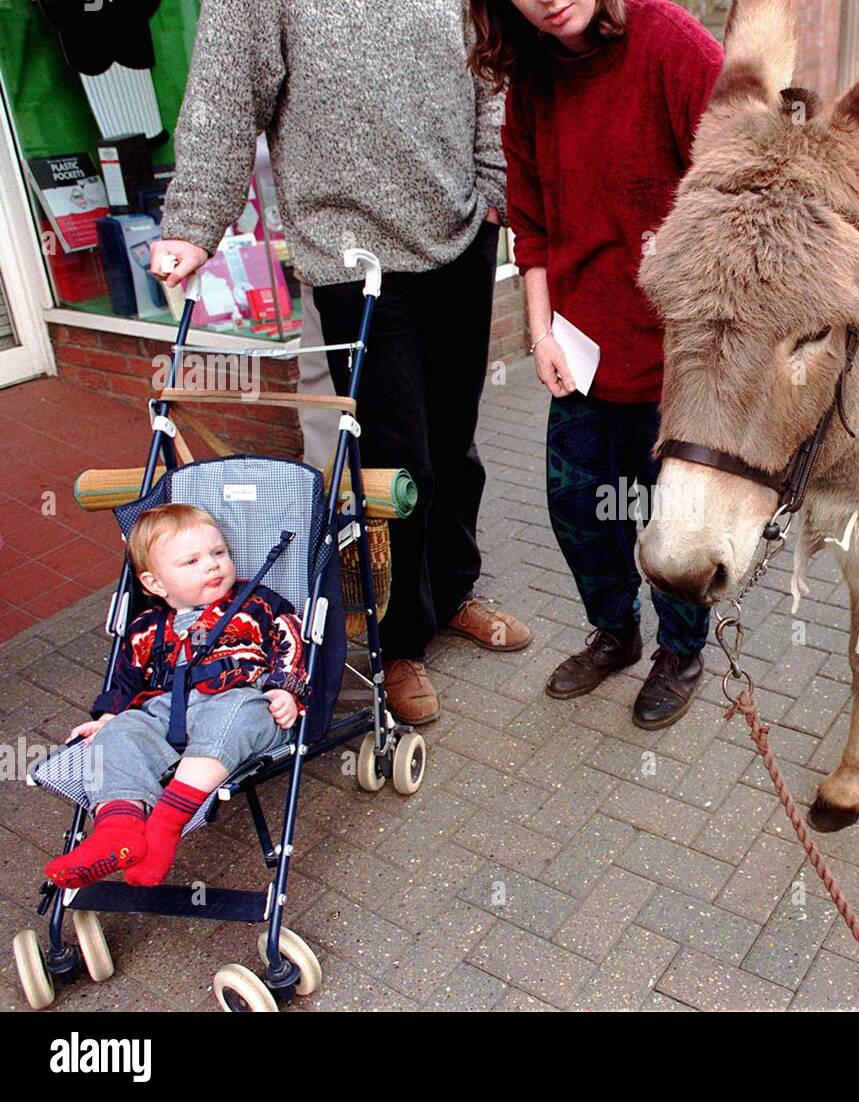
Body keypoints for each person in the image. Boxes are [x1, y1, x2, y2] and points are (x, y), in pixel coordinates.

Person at [149, 1, 532, 728]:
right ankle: (400, 640)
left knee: (455, 441)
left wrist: (493, 191)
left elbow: (489, 74)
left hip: (462, 238)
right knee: (397, 460)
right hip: (353, 255)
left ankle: (453, 592)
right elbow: (227, 94)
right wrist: (195, 220)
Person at [475, 0, 722, 730]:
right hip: (581, 351)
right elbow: (534, 224)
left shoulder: (676, 47)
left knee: (674, 522)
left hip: (680, 356)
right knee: (580, 509)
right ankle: (617, 633)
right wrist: (541, 331)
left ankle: (682, 653)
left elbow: (738, 196)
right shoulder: (533, 82)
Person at [43, 505, 307, 890]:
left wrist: (285, 687)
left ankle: (166, 821)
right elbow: (126, 681)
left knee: (235, 712)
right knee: (122, 733)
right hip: (167, 714)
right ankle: (118, 831)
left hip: (243, 701)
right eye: (192, 561)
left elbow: (291, 638)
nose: (213, 566)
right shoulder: (144, 629)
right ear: (155, 584)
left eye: (219, 553)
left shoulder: (257, 603)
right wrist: (108, 718)